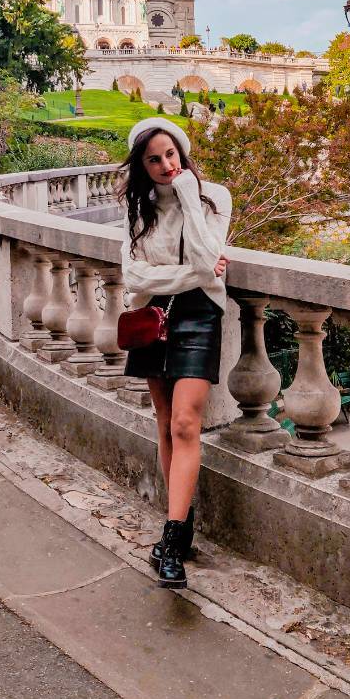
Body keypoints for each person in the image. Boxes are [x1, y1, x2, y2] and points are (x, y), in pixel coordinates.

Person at [118, 118, 232, 590]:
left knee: (186, 422)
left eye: (172, 155)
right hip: (152, 318)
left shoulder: (213, 197)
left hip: (200, 316)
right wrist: (191, 274)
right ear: (142, 167)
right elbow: (135, 279)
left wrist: (187, 191)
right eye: (155, 160)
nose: (167, 165)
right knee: (164, 423)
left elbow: (209, 262)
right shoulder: (136, 209)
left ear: (182, 153)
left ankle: (170, 539)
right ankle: (179, 527)